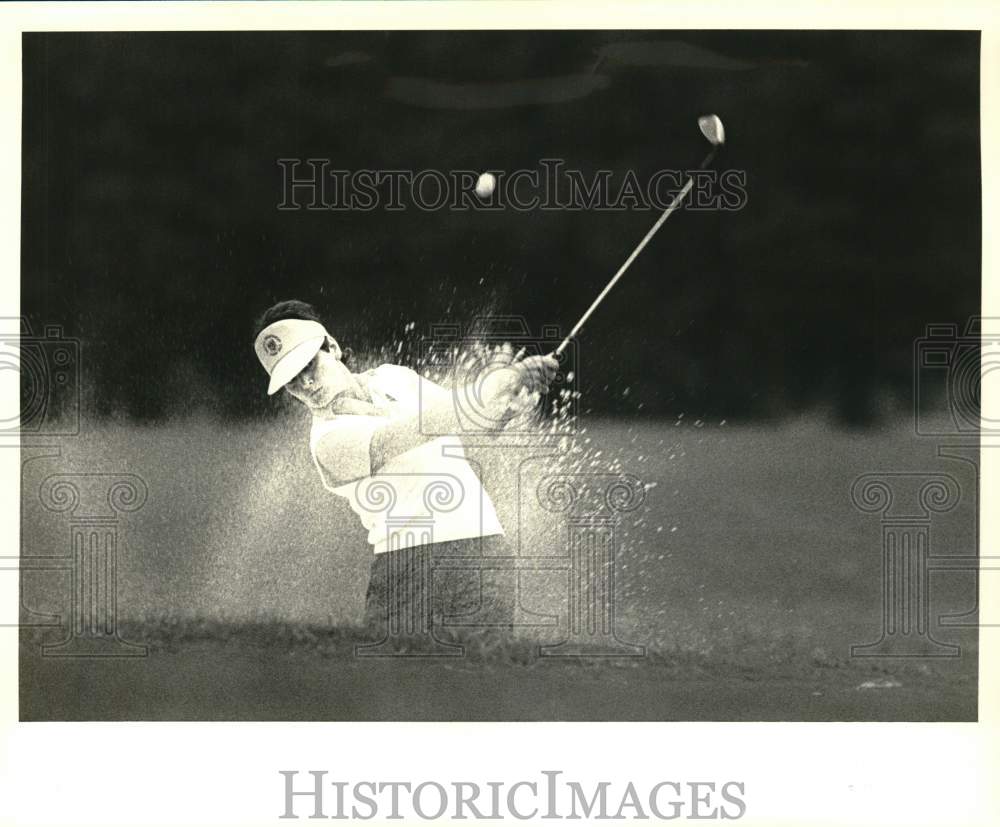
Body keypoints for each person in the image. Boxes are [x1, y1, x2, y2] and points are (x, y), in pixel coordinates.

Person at [252, 299, 558, 649]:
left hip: (483, 551)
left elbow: (473, 422)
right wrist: (500, 381)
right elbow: (413, 431)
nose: (306, 383)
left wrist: (511, 401)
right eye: (291, 381)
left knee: (483, 689)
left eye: (309, 365)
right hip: (407, 567)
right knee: (390, 694)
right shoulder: (327, 441)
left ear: (332, 347)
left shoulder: (392, 376)